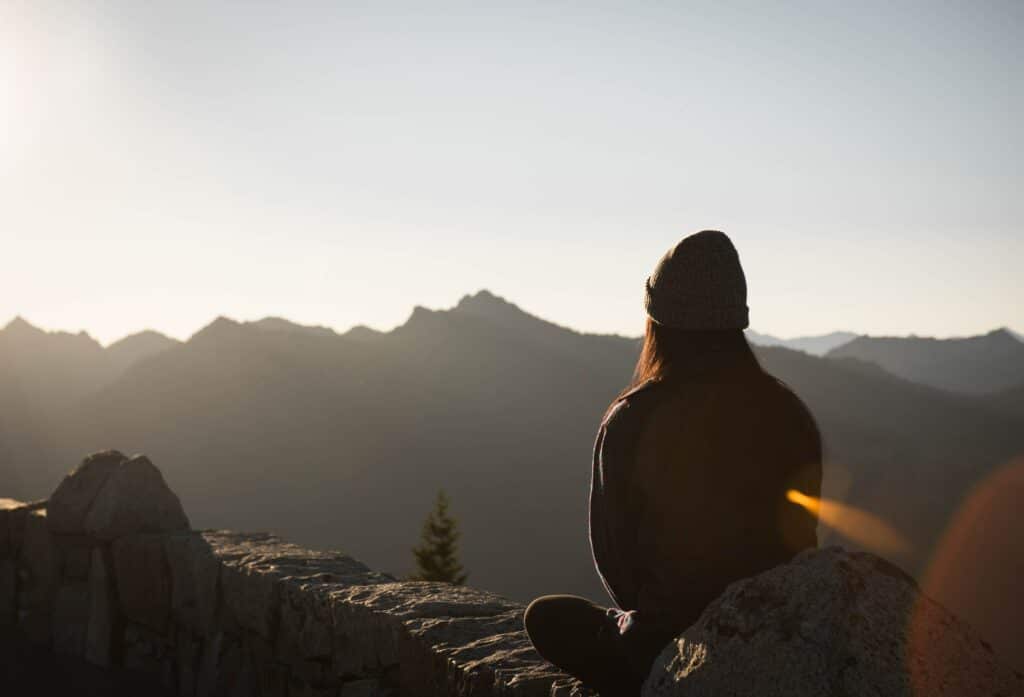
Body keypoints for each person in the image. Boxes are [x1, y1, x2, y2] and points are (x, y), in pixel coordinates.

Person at [523, 230, 823, 696]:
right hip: (777, 630)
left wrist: (648, 618)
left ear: (658, 321)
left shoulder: (634, 417)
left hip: (670, 642)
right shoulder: (788, 413)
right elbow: (803, 538)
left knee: (547, 616)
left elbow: (616, 559)